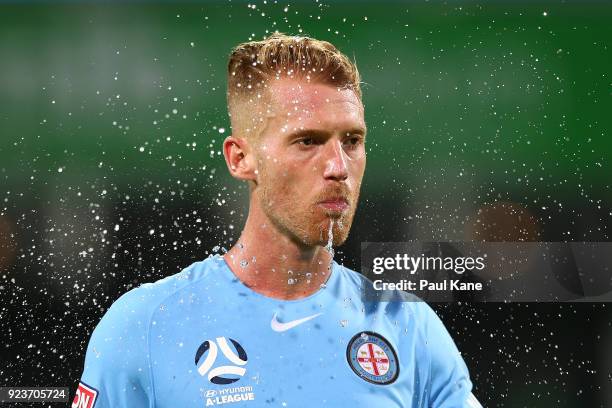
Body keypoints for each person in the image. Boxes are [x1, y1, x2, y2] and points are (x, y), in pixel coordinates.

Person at [74, 33, 482, 408]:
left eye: (352, 141)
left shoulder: (409, 328)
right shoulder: (146, 326)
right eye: (308, 141)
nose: (338, 166)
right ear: (241, 158)